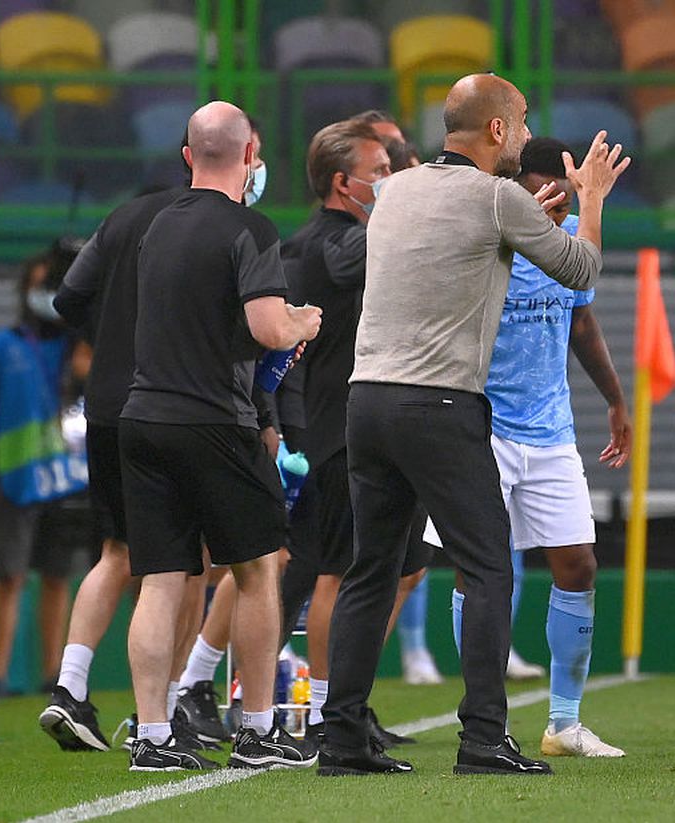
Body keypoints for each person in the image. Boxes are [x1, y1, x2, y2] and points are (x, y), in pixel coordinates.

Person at [317, 73, 628, 777]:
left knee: (372, 569)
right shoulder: (497, 196)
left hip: (367, 400)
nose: (526, 134)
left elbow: (453, 248)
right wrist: (591, 200)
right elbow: (581, 271)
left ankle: (341, 739)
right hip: (440, 404)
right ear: (496, 129)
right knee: (489, 566)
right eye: (521, 121)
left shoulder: (395, 190)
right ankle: (485, 737)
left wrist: (523, 217)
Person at [42, 128, 271, 753]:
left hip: (109, 405)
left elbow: (67, 298)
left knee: (119, 553)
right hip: (180, 402)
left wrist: (110, 337)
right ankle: (167, 711)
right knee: (185, 565)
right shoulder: (220, 227)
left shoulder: (124, 218)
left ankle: (71, 685)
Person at [118, 100, 321, 772]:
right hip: (214, 421)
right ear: (250, 154)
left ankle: (152, 736)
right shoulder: (249, 227)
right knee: (257, 570)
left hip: (144, 417)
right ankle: (258, 731)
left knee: (160, 580)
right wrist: (301, 323)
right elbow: (268, 328)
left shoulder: (156, 225)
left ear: (187, 156)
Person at [433, 136, 632, 757]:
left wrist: (616, 400)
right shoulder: (484, 236)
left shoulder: (569, 240)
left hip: (551, 430)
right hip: (482, 426)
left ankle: (564, 724)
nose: (554, 203)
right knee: (480, 571)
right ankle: (484, 721)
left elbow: (580, 321)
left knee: (579, 565)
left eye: (564, 194)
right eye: (542, 192)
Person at [273, 118, 434, 745]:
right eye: (381, 172)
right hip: (337, 426)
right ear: (344, 183)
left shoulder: (351, 236)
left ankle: (348, 699)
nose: (390, 181)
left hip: (375, 421)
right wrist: (415, 198)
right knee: (338, 572)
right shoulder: (321, 243)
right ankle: (324, 713)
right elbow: (346, 268)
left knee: (404, 567)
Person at [0, 246, 88, 699]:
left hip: (66, 481)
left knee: (57, 578)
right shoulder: (2, 348)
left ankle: (54, 674)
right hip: (15, 482)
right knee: (9, 577)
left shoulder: (79, 348)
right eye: (38, 286)